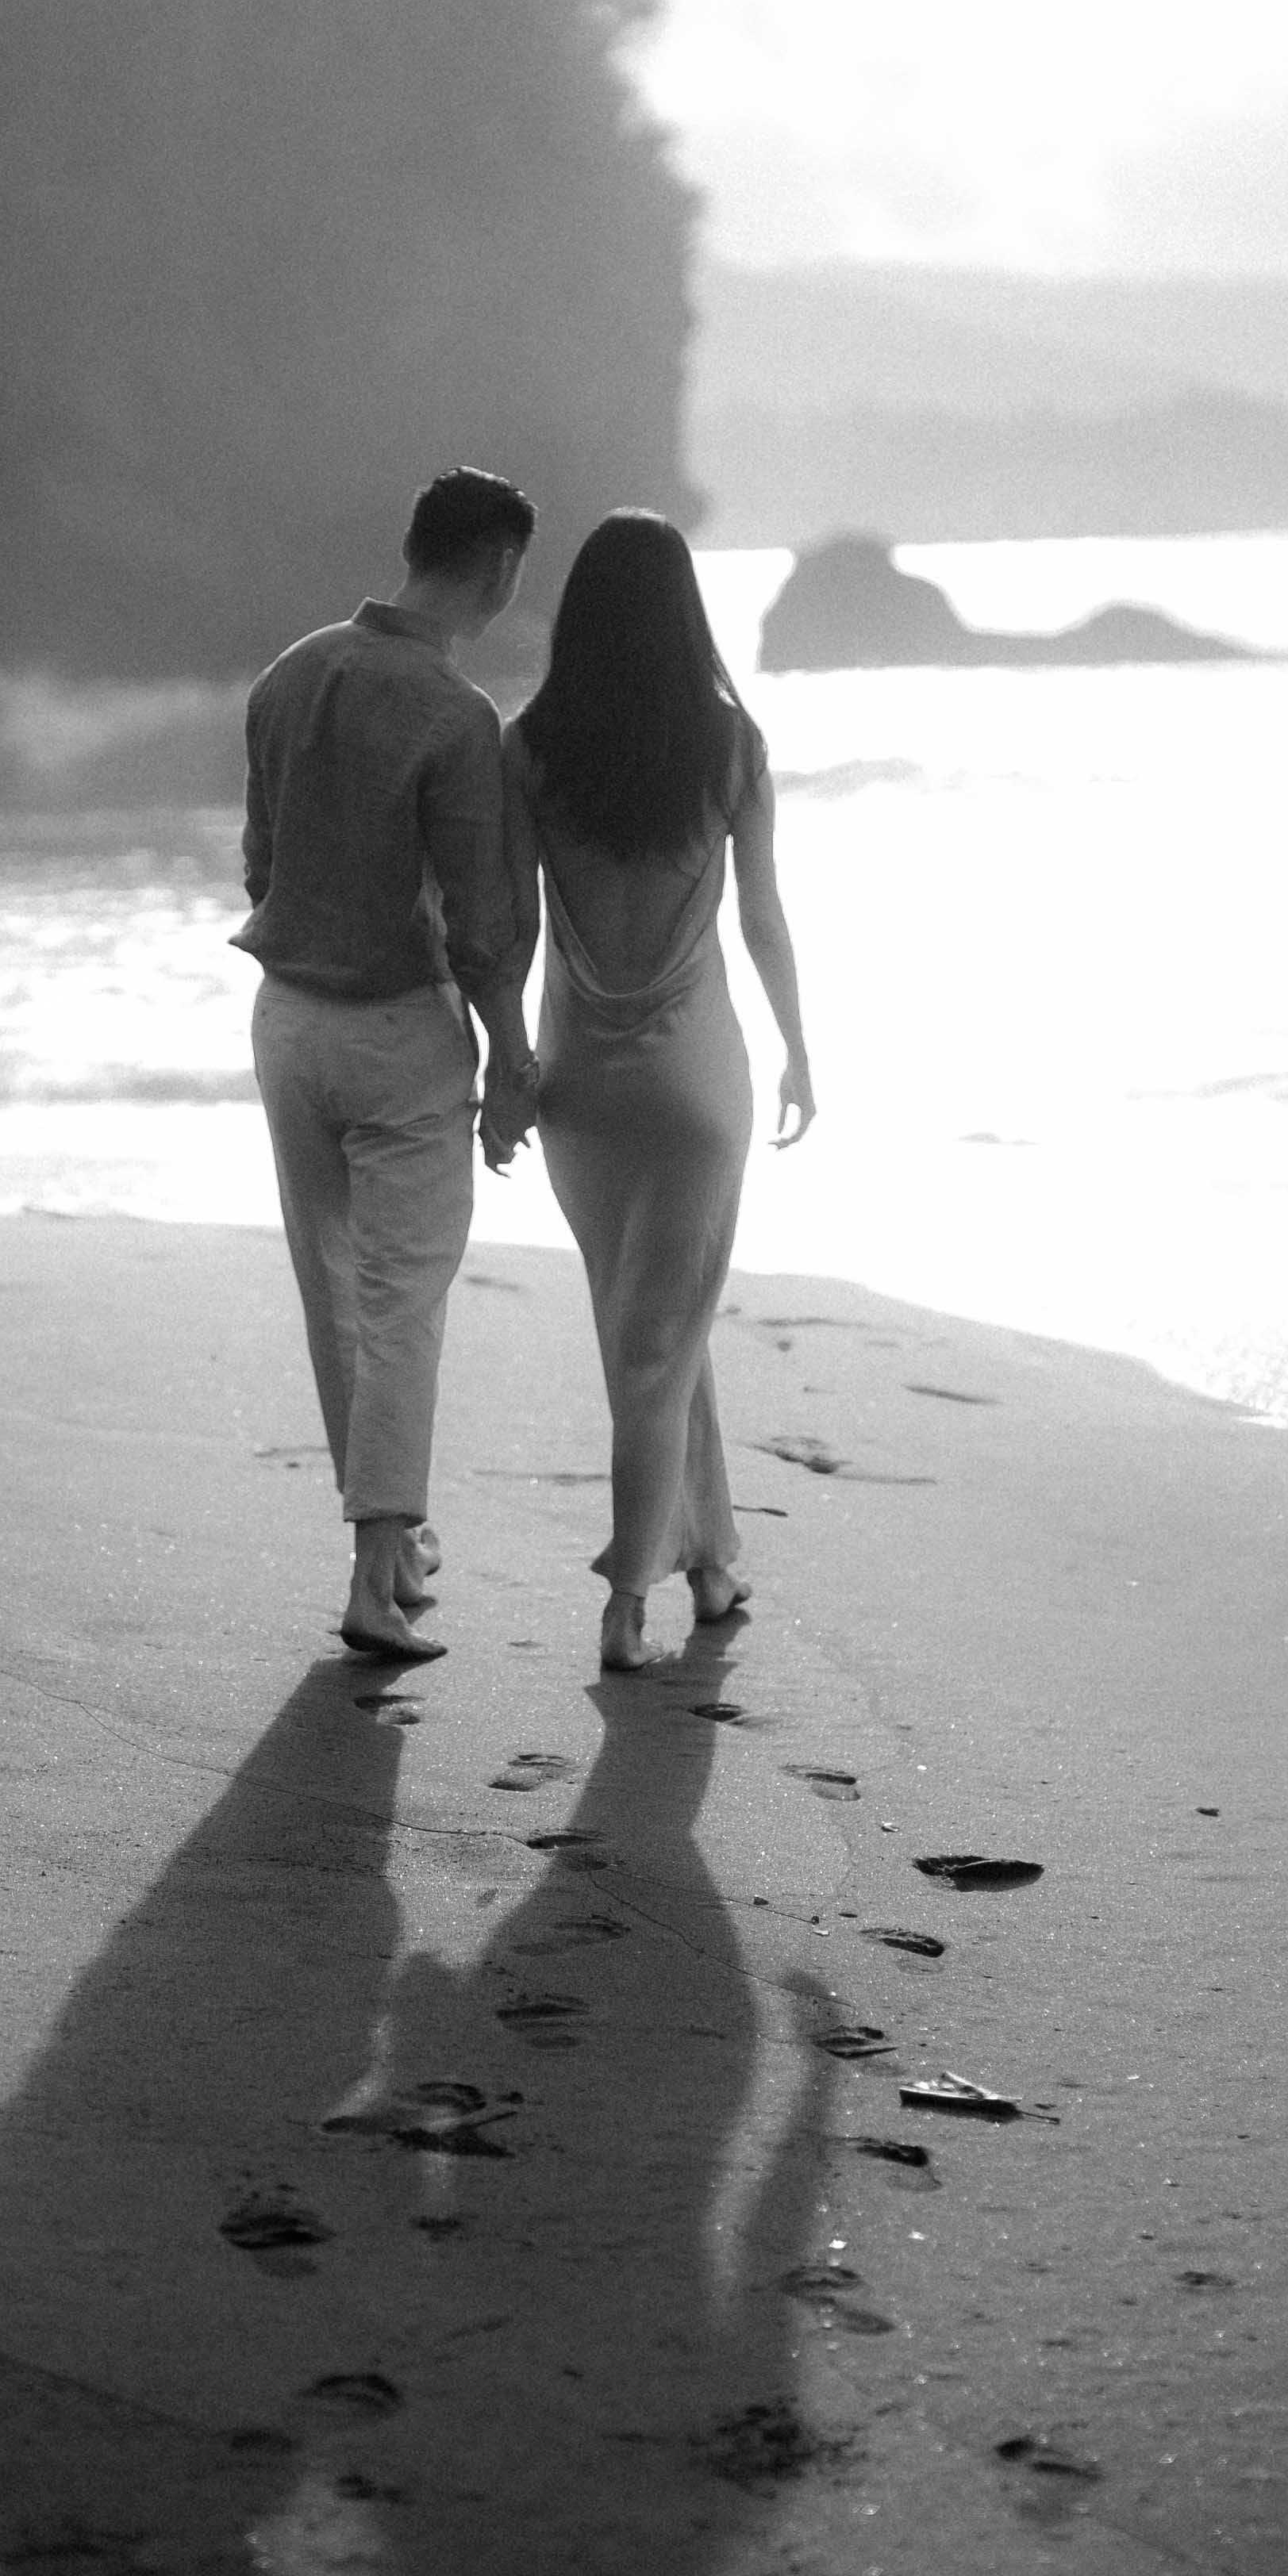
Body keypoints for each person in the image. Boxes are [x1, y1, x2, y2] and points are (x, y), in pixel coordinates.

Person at [237, 466, 541, 1665]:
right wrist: (512, 1058)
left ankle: (396, 1547)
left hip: (286, 1022)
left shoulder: (288, 673)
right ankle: (375, 1576)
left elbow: (259, 864)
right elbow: (480, 924)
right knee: (402, 1303)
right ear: (500, 568)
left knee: (334, 1293)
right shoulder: (455, 716)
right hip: (398, 1032)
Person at [503, 508, 816, 1674]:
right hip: (696, 1085)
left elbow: (510, 929)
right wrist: (798, 1048)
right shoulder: (731, 745)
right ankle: (627, 1598)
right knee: (662, 1334)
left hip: (582, 1086)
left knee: (646, 1324)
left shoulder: (529, 748)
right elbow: (763, 918)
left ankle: (713, 1556)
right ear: (687, 613)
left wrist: (503, 1063)